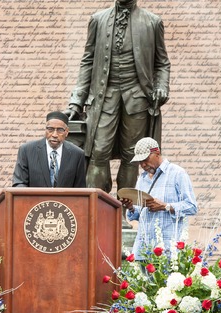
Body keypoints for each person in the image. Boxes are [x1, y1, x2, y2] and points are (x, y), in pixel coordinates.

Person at [64, 0, 170, 193]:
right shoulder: (98, 19)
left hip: (137, 99)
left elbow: (162, 63)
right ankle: (97, 208)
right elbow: (87, 62)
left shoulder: (153, 22)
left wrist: (162, 87)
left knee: (132, 155)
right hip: (104, 98)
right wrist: (76, 102)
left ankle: (123, 210)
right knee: (98, 152)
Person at [121, 137, 197, 259]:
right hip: (143, 250)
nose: (143, 165)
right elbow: (138, 215)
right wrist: (130, 207)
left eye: (145, 159)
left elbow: (192, 207)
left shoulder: (178, 173)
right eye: (139, 162)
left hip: (168, 251)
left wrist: (165, 206)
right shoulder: (142, 178)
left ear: (157, 153)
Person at [12, 111, 86, 188]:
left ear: (66, 132)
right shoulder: (27, 150)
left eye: (60, 130)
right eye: (50, 129)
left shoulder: (77, 154)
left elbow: (80, 189)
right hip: (35, 200)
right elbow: (19, 183)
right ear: (45, 130)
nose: (54, 135)